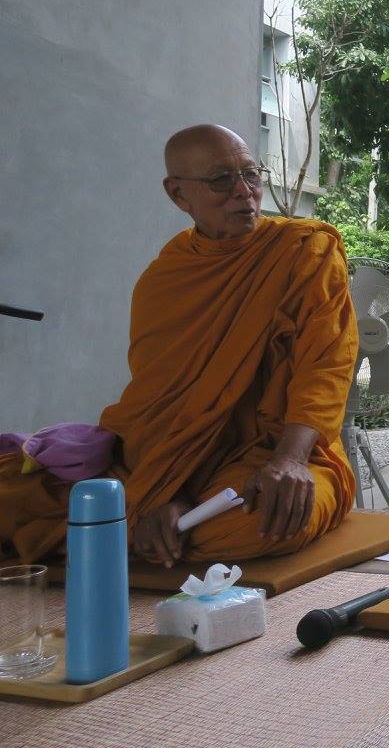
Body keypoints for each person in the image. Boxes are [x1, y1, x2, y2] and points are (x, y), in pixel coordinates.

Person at [0, 125, 358, 566]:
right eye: (221, 180)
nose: (243, 191)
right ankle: (146, 524)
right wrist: (170, 492)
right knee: (11, 496)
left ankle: (122, 530)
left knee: (269, 518)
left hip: (275, 452)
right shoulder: (164, 279)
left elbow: (325, 366)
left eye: (251, 174)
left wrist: (290, 461)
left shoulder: (305, 251)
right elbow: (163, 406)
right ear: (178, 194)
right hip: (167, 460)